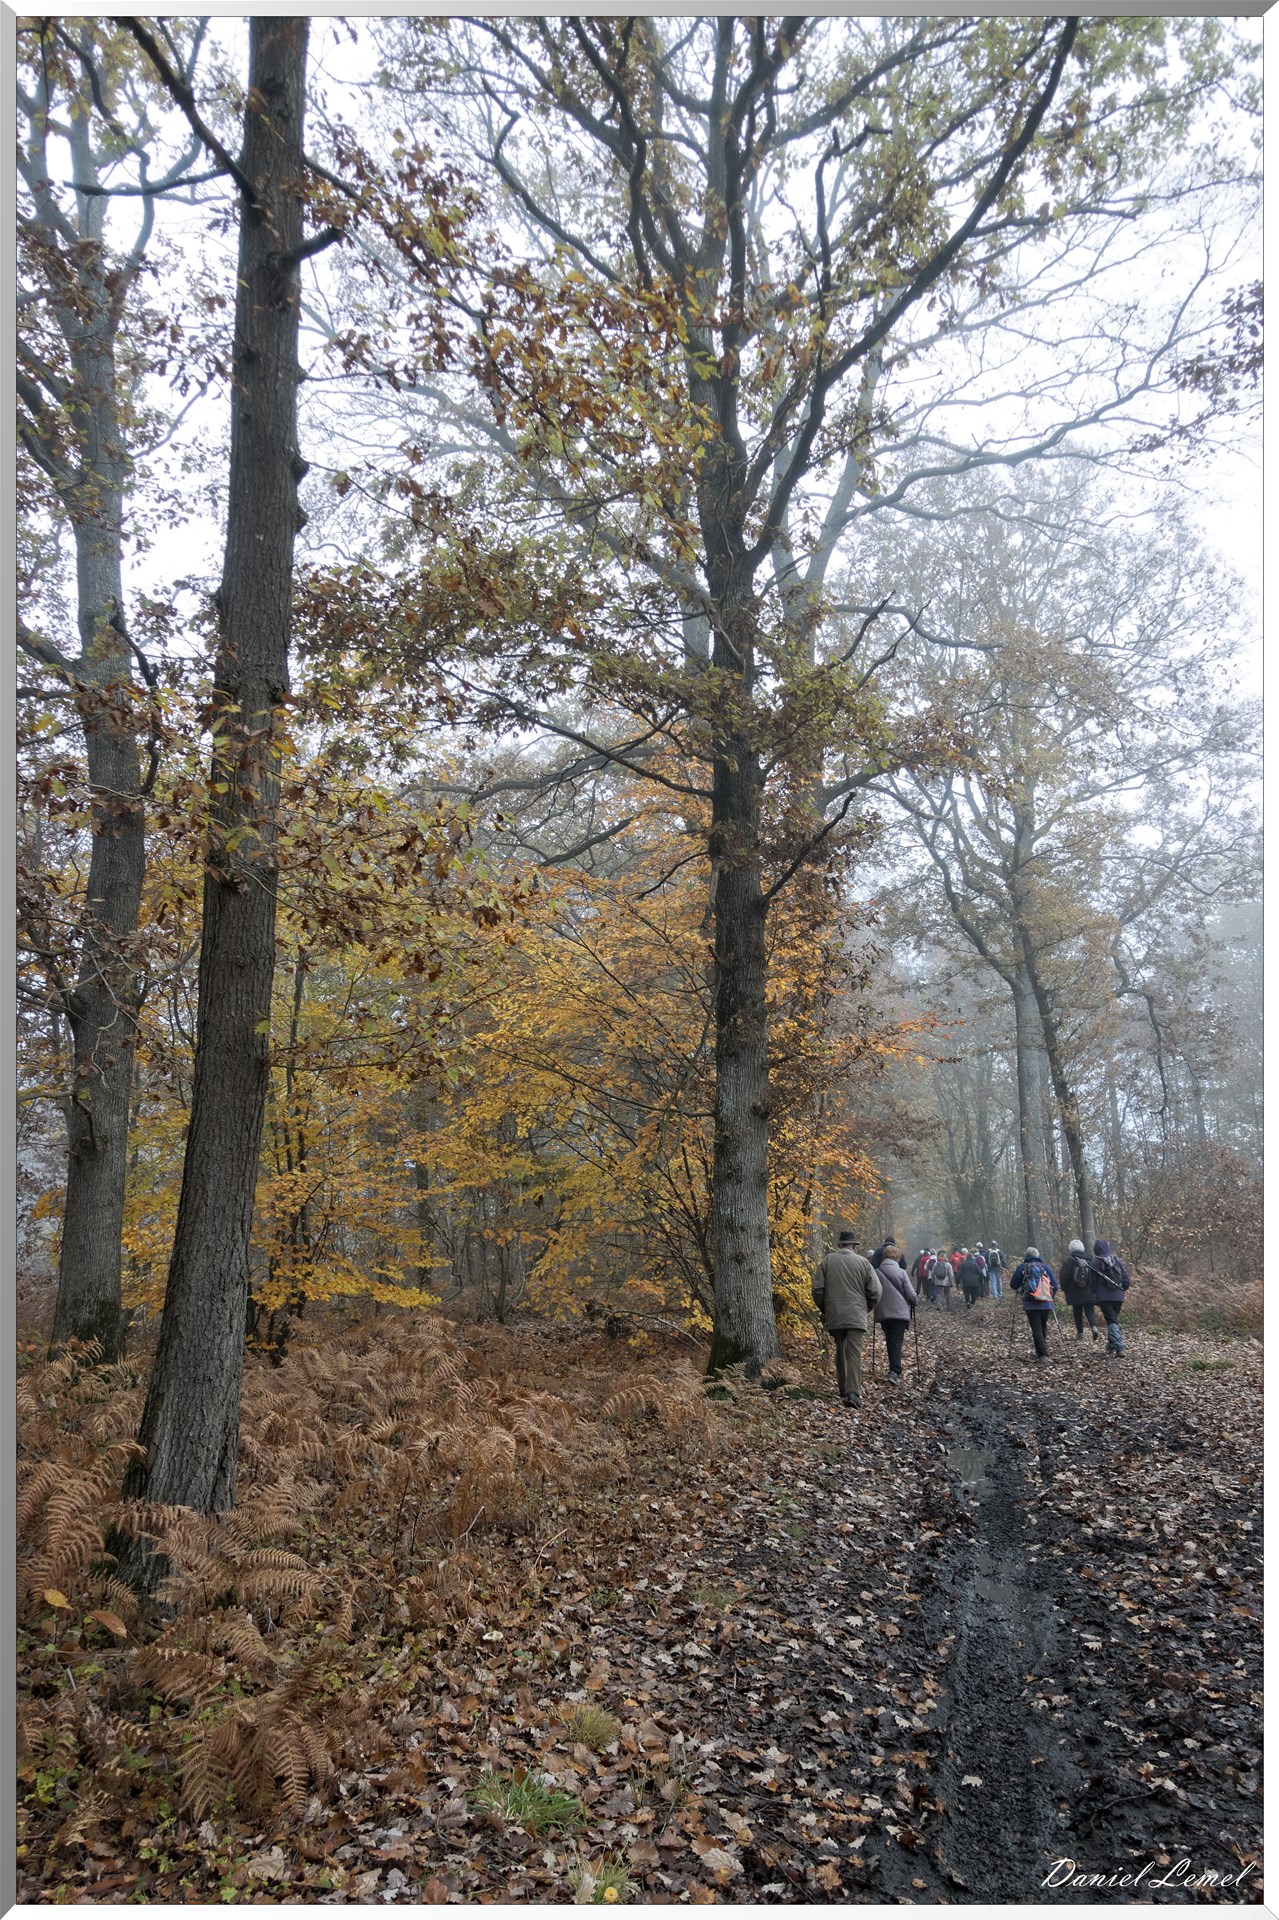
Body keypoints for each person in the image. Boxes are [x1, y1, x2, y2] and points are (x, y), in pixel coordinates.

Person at [812, 1230, 882, 1408]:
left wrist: (826, 1308)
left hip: (834, 1313)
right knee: (854, 1353)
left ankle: (843, 1388)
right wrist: (865, 1308)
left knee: (840, 1350)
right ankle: (853, 1393)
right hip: (856, 1314)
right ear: (854, 1246)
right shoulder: (863, 1263)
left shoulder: (827, 1261)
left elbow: (817, 1289)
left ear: (839, 1244)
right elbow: (875, 1291)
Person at [874, 1250, 918, 1383]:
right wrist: (915, 1301)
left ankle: (894, 1368)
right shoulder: (901, 1272)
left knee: (890, 1339)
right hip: (899, 1313)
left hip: (884, 1313)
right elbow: (910, 1294)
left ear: (884, 1257)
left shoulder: (877, 1272)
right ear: (897, 1258)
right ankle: (895, 1371)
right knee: (896, 1341)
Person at [1010, 1245, 1059, 1359]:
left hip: (1030, 1302)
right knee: (1043, 1325)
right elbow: (1055, 1285)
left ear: (1026, 1256)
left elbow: (1013, 1285)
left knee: (1036, 1328)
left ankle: (1042, 1354)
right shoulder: (1044, 1267)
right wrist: (1051, 1296)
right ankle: (1042, 1349)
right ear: (1038, 1256)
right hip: (1046, 1301)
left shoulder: (1022, 1267)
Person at [1088, 1237, 1131, 1358]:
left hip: (1103, 1297)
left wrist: (1095, 1292)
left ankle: (1119, 1347)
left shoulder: (1094, 1263)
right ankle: (1111, 1346)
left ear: (1096, 1250)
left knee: (1112, 1321)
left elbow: (1091, 1282)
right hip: (1118, 1295)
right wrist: (1123, 1289)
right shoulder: (1117, 1260)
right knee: (1112, 1320)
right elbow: (1125, 1278)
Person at [1060, 1238, 1099, 1342]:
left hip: (1074, 1293)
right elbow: (1095, 1276)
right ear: (1083, 1248)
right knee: (1090, 1311)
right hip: (1089, 1291)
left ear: (1070, 1249)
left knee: (1077, 1312)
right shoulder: (1090, 1260)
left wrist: (1064, 1288)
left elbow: (1064, 1277)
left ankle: (1080, 1333)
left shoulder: (1068, 1262)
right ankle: (1094, 1327)